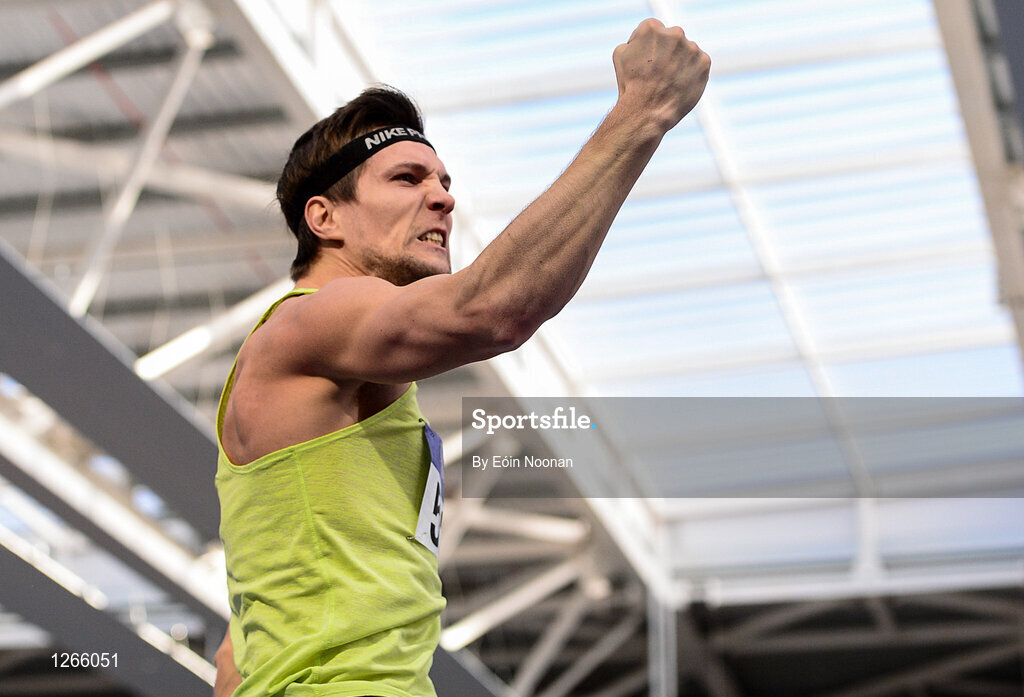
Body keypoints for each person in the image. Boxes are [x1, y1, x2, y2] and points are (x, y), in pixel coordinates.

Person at [213, 17, 709, 697]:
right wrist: (642, 111)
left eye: (443, 179)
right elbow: (494, 308)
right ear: (324, 218)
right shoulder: (313, 320)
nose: (443, 197)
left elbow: (234, 657)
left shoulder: (312, 372)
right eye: (407, 178)